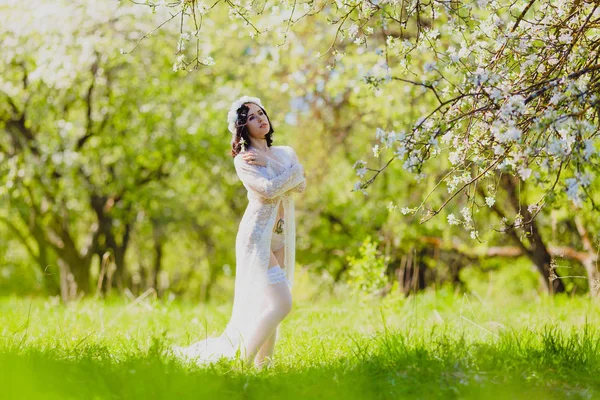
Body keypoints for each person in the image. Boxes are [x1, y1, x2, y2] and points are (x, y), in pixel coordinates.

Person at [172, 96, 306, 369]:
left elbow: (301, 185)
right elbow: (268, 190)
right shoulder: (244, 160)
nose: (261, 118)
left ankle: (263, 367)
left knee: (268, 305)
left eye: (261, 113)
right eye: (253, 117)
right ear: (243, 127)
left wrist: (286, 170)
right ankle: (240, 362)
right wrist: (294, 173)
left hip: (280, 235)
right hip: (256, 237)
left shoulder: (285, 153)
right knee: (281, 304)